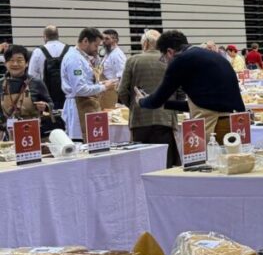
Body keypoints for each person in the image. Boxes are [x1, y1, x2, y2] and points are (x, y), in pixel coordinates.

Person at [139, 30, 245, 144]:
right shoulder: (213, 56)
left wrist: (141, 101)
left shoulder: (180, 60)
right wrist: (166, 104)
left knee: (209, 159)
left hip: (213, 126)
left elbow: (156, 101)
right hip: (237, 122)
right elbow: (201, 103)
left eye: (163, 58)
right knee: (236, 159)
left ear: (169, 52)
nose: (165, 62)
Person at [117, 29, 180, 168]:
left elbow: (122, 90)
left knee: (141, 165)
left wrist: (134, 104)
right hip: (165, 118)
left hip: (140, 120)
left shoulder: (132, 60)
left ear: (145, 43)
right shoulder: (170, 61)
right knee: (165, 163)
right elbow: (180, 90)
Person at [61, 28, 116, 141]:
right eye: (96, 46)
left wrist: (100, 83)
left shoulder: (82, 57)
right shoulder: (74, 59)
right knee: (82, 144)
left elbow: (86, 83)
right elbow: (80, 89)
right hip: (78, 107)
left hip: (86, 105)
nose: (97, 50)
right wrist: (103, 87)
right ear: (85, 41)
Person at [1, 45, 55, 138]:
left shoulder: (36, 83)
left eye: (19, 60)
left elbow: (50, 104)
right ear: (5, 63)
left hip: (34, 134)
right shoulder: (1, 84)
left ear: (26, 63)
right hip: (9, 135)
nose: (15, 64)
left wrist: (45, 106)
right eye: (11, 60)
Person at [28, 25, 70, 112]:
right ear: (58, 36)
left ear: (44, 36)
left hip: (46, 99)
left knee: (49, 122)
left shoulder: (38, 52)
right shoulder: (70, 50)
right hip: (67, 97)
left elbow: (32, 76)